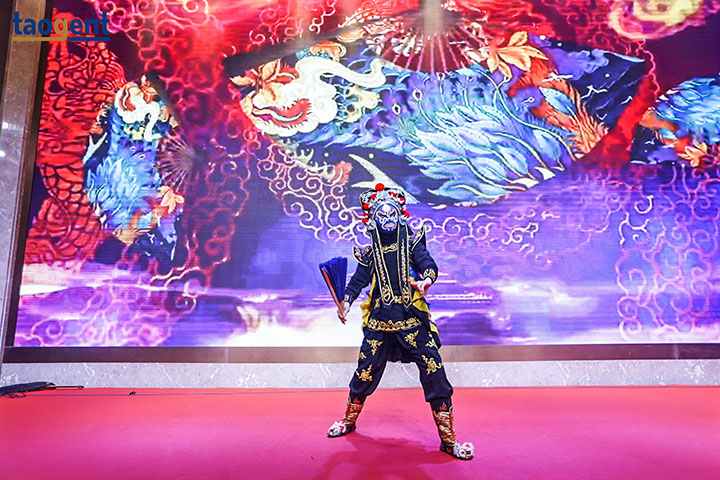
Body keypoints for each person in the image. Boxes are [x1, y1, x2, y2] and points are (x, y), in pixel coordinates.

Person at [327, 183, 474, 460]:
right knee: (364, 374)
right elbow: (358, 281)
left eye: (391, 214)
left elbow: (428, 263)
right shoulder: (371, 252)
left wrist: (426, 280)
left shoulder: (412, 242)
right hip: (379, 324)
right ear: (372, 220)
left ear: (400, 215)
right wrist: (346, 301)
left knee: (435, 373)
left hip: (411, 322)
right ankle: (348, 420)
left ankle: (448, 440)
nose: (387, 219)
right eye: (381, 215)